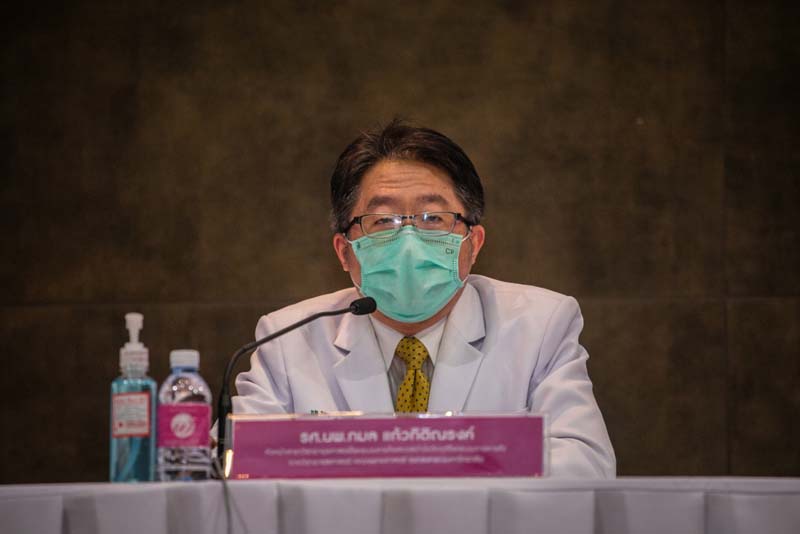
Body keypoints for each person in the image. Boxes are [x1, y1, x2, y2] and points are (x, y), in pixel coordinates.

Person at [234, 120, 616, 477]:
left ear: (473, 243)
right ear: (344, 251)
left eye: (433, 218)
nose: (409, 241)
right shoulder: (287, 339)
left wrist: (421, 463)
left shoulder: (541, 326)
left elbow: (586, 465)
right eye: (383, 221)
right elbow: (236, 465)